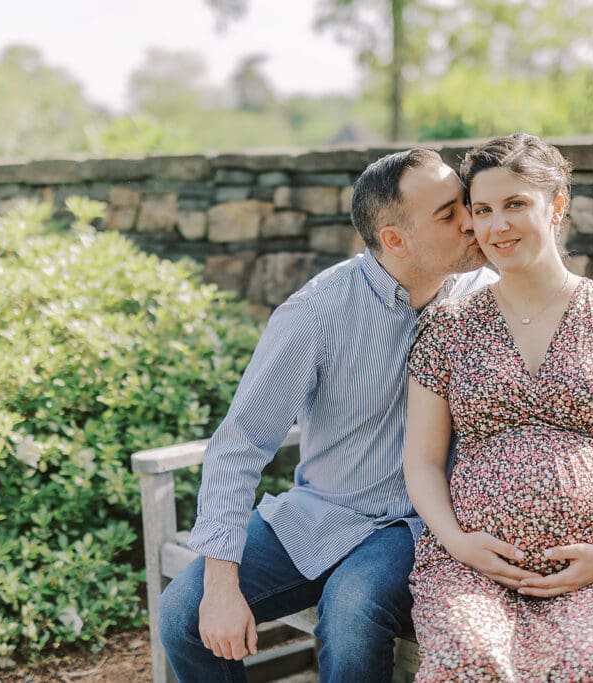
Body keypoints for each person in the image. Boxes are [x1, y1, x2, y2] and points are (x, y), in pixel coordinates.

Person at [158, 147, 496, 682]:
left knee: (351, 612)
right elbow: (240, 444)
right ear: (394, 240)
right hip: (323, 512)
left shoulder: (491, 297)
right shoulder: (315, 314)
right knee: (182, 616)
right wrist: (222, 587)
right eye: (448, 214)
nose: (472, 223)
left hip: (419, 524)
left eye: (466, 205)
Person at [402, 133, 593, 681]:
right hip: (472, 569)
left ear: (555, 207)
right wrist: (458, 543)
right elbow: (422, 461)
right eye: (482, 210)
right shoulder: (448, 326)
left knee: (586, 667)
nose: (496, 226)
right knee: (470, 662)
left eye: (515, 205)